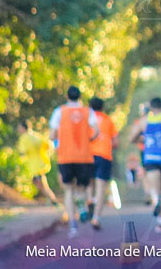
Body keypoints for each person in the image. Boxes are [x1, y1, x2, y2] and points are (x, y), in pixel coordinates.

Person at [49, 86, 100, 239]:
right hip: (84, 156)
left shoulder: (59, 111)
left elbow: (52, 135)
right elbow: (96, 131)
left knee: (68, 190)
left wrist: (59, 139)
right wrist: (89, 139)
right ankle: (81, 203)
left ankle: (73, 224)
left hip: (66, 156)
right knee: (82, 187)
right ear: (79, 97)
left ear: (67, 96)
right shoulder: (88, 111)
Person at [128, 97, 161, 231]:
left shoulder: (143, 121)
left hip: (150, 157)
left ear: (150, 107)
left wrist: (142, 138)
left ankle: (155, 199)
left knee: (153, 183)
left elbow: (131, 138)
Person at [87, 97, 117, 230]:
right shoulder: (108, 120)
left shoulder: (86, 119)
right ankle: (96, 218)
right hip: (104, 156)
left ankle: (89, 200)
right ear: (102, 107)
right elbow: (116, 142)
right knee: (100, 187)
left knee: (88, 182)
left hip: (87, 155)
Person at [16, 121, 59, 207]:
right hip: (41, 164)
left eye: (19, 128)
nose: (18, 130)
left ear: (23, 128)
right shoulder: (36, 136)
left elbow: (22, 152)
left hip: (35, 167)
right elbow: (48, 145)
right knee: (40, 184)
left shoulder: (24, 138)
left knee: (42, 185)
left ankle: (53, 201)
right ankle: (51, 200)